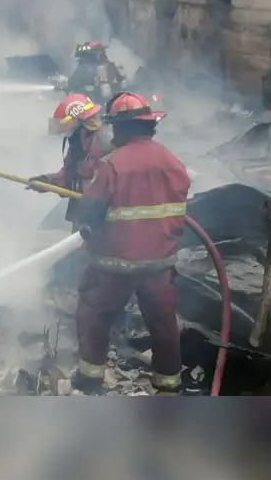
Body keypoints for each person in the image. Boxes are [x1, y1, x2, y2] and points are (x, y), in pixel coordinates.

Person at [72, 92, 190, 395]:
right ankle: (168, 385)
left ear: (121, 128)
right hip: (159, 264)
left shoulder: (113, 165)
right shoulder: (173, 161)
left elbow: (92, 211)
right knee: (164, 326)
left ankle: (90, 379)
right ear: (149, 125)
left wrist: (85, 218)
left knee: (94, 316)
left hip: (114, 264)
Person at [28, 92, 112, 289]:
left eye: (68, 123)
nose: (65, 129)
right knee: (82, 254)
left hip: (102, 212)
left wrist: (96, 202)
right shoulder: (77, 142)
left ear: (82, 121)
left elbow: (109, 179)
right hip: (84, 210)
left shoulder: (105, 139)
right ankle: (80, 289)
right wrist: (46, 181)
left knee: (100, 256)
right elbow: (69, 173)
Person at [66, 40, 124, 105]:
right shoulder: (108, 66)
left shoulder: (87, 68)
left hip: (98, 104)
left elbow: (72, 82)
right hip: (101, 103)